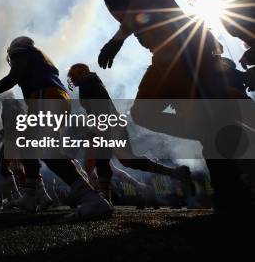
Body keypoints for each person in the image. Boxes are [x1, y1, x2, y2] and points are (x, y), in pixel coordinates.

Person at [76, 0, 252, 211]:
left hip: (177, 47)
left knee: (157, 113)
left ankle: (234, 169)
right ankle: (232, 171)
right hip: (173, 47)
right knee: (193, 117)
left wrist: (116, 41)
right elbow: (142, 7)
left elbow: (142, 1)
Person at [0, 36, 113, 219]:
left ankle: (91, 199)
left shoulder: (24, 53)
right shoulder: (38, 57)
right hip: (53, 97)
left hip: (45, 96)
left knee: (48, 152)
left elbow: (13, 77)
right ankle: (30, 195)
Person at [67, 63, 193, 200]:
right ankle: (175, 173)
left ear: (80, 72)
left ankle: (103, 198)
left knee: (107, 159)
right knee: (121, 160)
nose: (71, 79)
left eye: (72, 75)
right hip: (110, 123)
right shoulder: (91, 81)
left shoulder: (87, 83)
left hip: (107, 124)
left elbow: (100, 106)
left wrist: (100, 126)